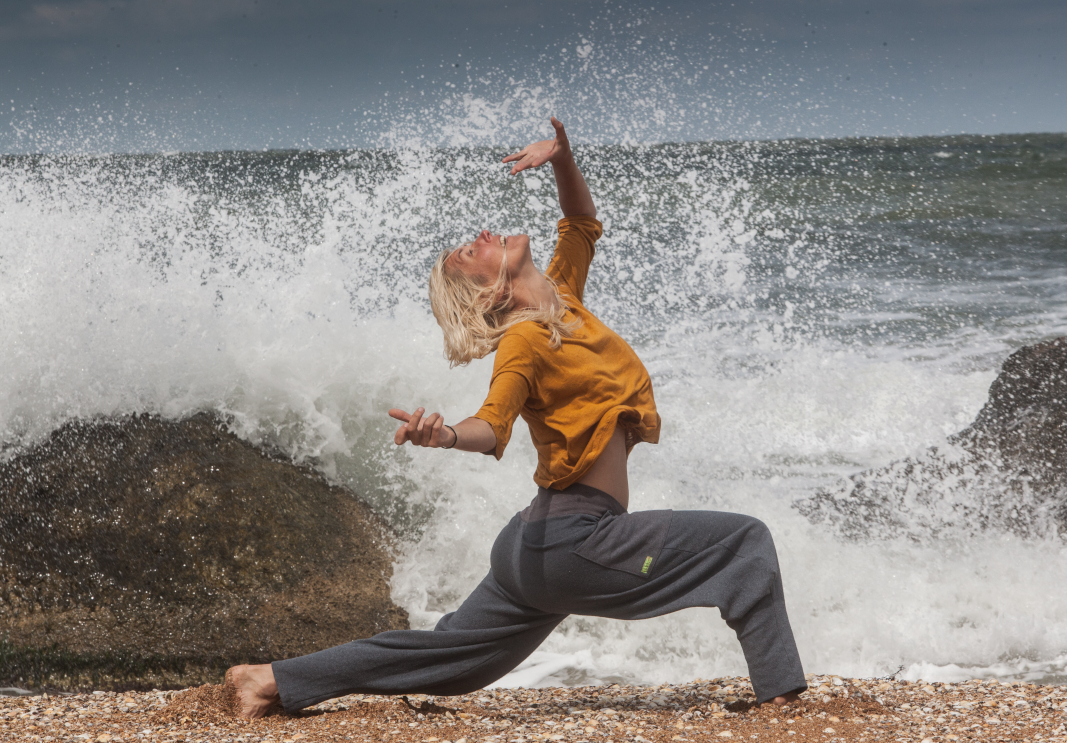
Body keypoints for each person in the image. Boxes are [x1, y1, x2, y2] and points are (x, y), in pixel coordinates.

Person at [226, 118, 807, 718]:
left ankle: (271, 680)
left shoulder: (563, 299)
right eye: (468, 252)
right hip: (572, 540)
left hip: (535, 543)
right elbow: (492, 425)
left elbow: (581, 225)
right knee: (745, 541)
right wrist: (446, 435)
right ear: (487, 294)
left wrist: (562, 160)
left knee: (450, 661)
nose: (481, 234)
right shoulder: (524, 342)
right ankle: (784, 696)